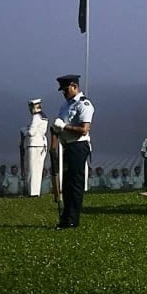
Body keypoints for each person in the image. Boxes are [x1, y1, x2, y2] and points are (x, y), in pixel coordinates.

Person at [51, 74, 94, 230]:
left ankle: (72, 220)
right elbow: (56, 127)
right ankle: (66, 218)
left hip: (78, 146)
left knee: (75, 184)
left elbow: (84, 129)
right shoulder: (65, 105)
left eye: (66, 89)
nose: (64, 93)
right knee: (67, 184)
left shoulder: (84, 104)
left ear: (74, 86)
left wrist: (64, 127)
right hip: (67, 146)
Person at [21, 98, 49, 197]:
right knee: (38, 169)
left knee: (32, 169)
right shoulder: (44, 117)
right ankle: (36, 191)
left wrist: (25, 131)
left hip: (33, 144)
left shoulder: (36, 117)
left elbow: (31, 132)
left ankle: (32, 192)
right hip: (41, 143)